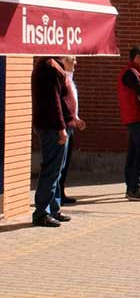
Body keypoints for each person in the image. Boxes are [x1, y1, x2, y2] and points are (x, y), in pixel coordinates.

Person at [31, 57, 85, 227]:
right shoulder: (50, 67)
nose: (76, 63)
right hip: (53, 128)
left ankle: (54, 208)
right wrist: (61, 128)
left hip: (57, 126)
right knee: (52, 170)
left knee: (57, 170)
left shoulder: (54, 67)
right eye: (73, 58)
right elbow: (53, 101)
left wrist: (72, 119)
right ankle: (42, 213)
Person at [118, 46, 140, 201]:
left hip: (136, 117)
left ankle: (131, 188)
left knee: (134, 153)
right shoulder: (131, 73)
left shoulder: (135, 73)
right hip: (136, 117)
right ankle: (134, 189)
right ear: (136, 57)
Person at [59, 56, 79, 206]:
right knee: (58, 164)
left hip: (70, 125)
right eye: (73, 59)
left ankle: (60, 194)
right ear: (64, 61)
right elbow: (58, 105)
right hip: (62, 126)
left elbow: (71, 102)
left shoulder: (69, 78)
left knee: (65, 163)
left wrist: (76, 118)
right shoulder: (60, 79)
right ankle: (55, 199)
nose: (76, 63)